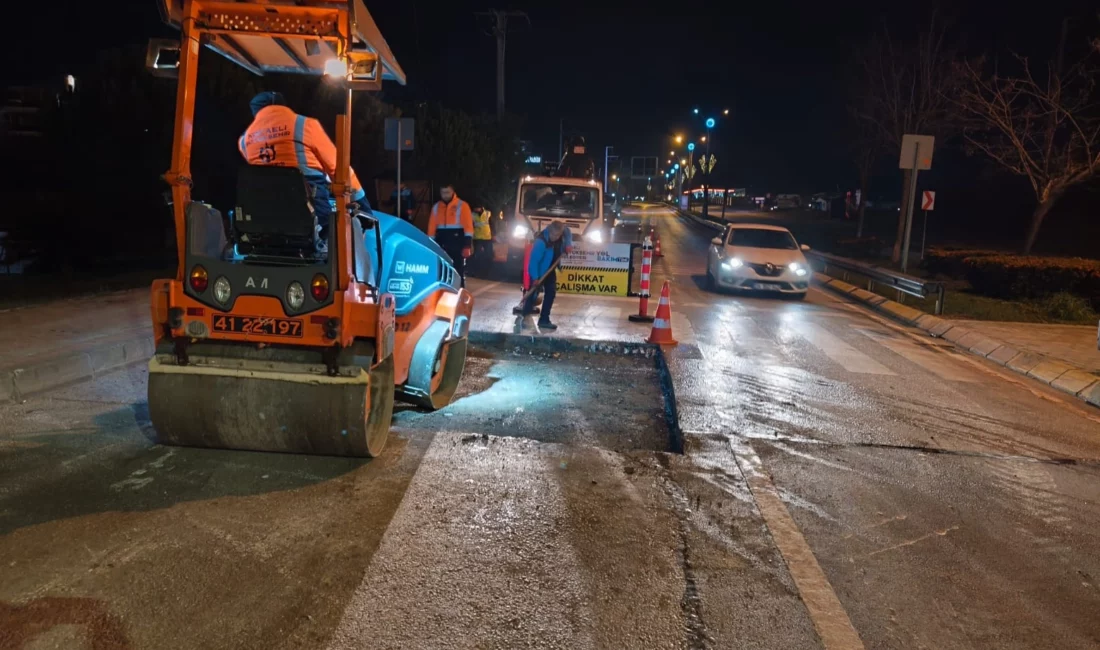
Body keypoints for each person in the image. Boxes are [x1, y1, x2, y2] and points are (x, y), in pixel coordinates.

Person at [238, 91, 369, 251]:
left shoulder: (244, 141)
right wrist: (363, 205)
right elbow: (339, 168)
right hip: (312, 220)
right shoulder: (304, 125)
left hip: (262, 224)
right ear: (283, 105)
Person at [522, 222, 567, 331]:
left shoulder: (560, 237)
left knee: (551, 293)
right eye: (554, 235)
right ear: (549, 231)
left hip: (550, 269)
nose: (556, 238)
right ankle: (525, 317)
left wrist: (566, 247)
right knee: (533, 293)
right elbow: (533, 262)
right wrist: (535, 277)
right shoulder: (541, 242)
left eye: (558, 235)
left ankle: (544, 319)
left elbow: (568, 234)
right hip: (539, 271)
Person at [427, 184, 473, 283]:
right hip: (441, 242)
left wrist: (467, 245)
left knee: (457, 270)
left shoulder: (462, 205)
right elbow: (431, 227)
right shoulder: (436, 207)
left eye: (447, 192)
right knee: (440, 269)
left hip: (457, 242)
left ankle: (459, 291)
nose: (445, 195)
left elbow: (468, 226)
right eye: (443, 192)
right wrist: (431, 243)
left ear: (453, 191)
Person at [471, 204, 494, 277]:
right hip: (477, 238)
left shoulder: (488, 214)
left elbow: (492, 224)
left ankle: (487, 272)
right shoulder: (472, 215)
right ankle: (476, 272)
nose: (475, 209)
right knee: (477, 256)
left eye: (476, 208)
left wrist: (494, 234)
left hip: (487, 237)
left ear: (480, 207)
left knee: (489, 255)